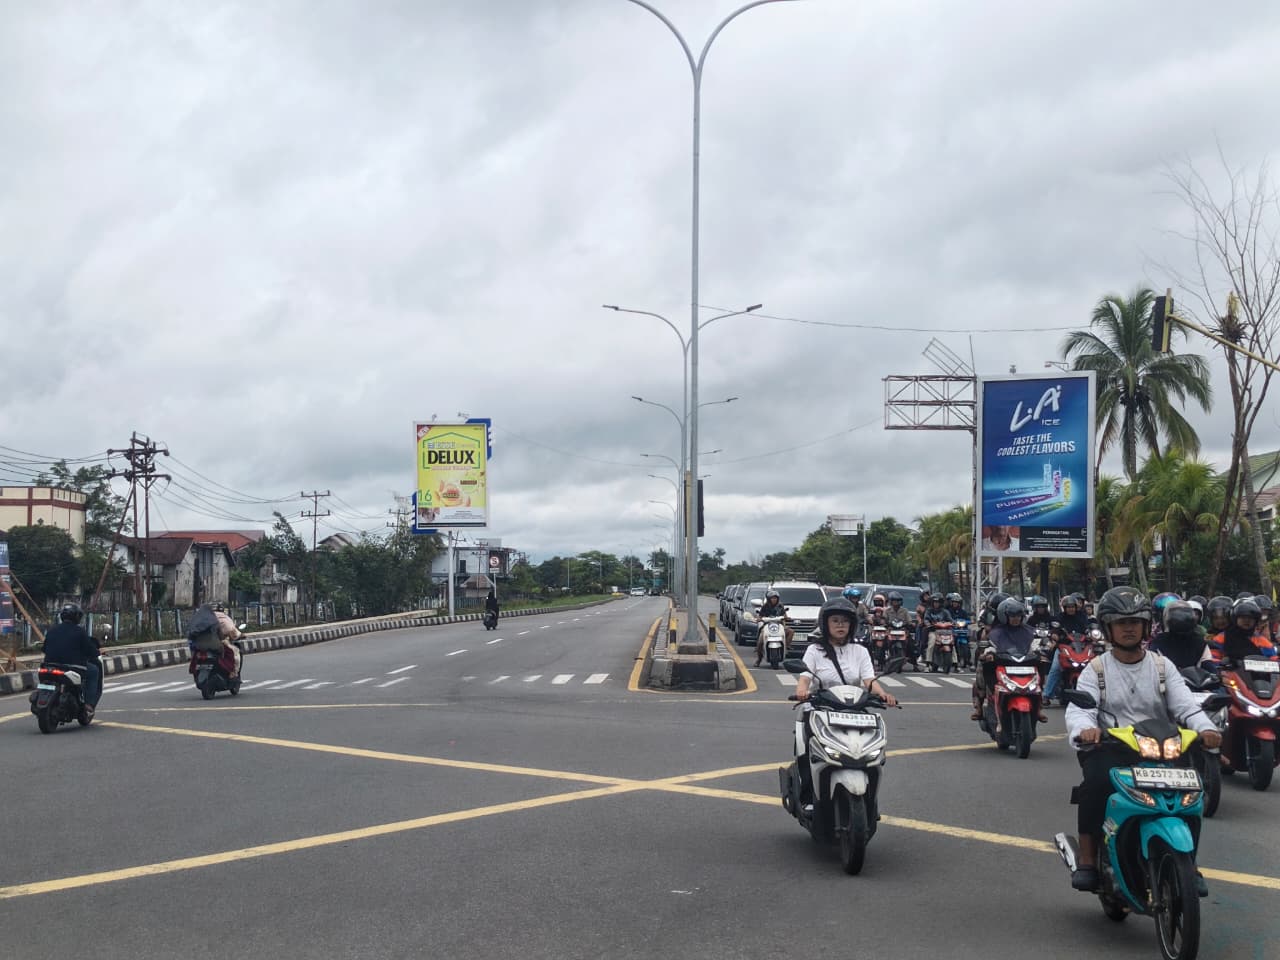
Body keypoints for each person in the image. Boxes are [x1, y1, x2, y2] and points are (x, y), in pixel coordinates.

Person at [1063, 587, 1221, 892]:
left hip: (1162, 747)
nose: (1128, 627)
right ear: (1108, 627)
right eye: (1120, 622)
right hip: (1110, 746)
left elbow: (1187, 706)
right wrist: (1086, 730)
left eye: (1135, 621)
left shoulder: (1162, 666)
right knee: (1095, 785)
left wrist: (1206, 729)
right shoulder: (1095, 670)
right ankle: (1087, 858)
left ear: (1147, 626)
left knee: (1191, 793)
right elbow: (1081, 709)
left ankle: (1190, 862)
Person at [794, 597, 900, 810]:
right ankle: (808, 799)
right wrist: (801, 691)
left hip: (854, 710)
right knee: (806, 752)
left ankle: (870, 801)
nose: (840, 625)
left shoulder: (859, 651)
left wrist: (884, 694)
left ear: (852, 625)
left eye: (844, 621)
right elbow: (805, 677)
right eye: (835, 621)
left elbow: (869, 681)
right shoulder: (814, 650)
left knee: (872, 752)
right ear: (826, 625)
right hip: (819, 710)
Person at [971, 597, 1044, 723]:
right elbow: (990, 643)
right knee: (982, 670)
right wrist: (988, 653)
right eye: (1012, 615)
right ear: (1004, 615)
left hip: (1022, 662)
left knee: (1041, 671)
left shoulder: (1028, 631)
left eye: (1018, 615)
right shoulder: (996, 631)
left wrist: (1040, 652)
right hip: (1001, 661)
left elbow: (1035, 644)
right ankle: (979, 706)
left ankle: (1038, 708)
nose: (1015, 618)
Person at [40, 602, 103, 719]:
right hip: (72, 668)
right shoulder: (79, 632)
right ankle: (89, 705)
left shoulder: (52, 631)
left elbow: (44, 649)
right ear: (77, 617)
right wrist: (98, 652)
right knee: (94, 671)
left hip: (48, 666)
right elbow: (91, 651)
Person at [1043, 595, 1093, 704]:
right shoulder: (1060, 617)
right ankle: (1046, 695)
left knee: (1093, 666)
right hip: (1064, 647)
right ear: (1064, 608)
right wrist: (1055, 634)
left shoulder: (1082, 616)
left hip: (1081, 647)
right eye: (1068, 607)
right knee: (1056, 668)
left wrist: (1091, 634)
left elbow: (1088, 628)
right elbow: (1054, 629)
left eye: (1072, 607)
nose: (1071, 609)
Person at [1208, 596, 1278, 663]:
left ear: (1255, 621)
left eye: (1250, 618)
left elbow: (1274, 661)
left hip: (1257, 675)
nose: (1247, 621)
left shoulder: (1263, 642)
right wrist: (1222, 664)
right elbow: (1212, 658)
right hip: (1226, 674)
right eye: (1243, 617)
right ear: (1235, 618)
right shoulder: (1222, 638)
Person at [1149, 600, 1214, 670]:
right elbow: (1152, 667)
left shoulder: (1200, 642)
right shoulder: (1159, 641)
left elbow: (1209, 667)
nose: (1181, 619)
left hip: (1194, 680)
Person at [754, 589, 793, 667]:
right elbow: (760, 616)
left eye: (775, 598)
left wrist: (786, 618)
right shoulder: (765, 606)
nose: (774, 599)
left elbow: (785, 615)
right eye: (772, 598)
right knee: (760, 642)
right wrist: (759, 619)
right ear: (769, 599)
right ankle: (759, 659)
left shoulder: (780, 606)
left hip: (779, 626)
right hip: (767, 626)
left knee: (791, 631)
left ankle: (786, 646)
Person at [922, 592, 952, 670]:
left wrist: (954, 623)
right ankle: (928, 664)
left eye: (938, 602)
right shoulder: (929, 611)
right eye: (935, 602)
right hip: (933, 631)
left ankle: (955, 664)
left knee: (952, 643)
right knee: (931, 643)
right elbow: (926, 619)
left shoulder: (945, 611)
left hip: (945, 632)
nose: (936, 604)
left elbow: (951, 620)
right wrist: (928, 624)